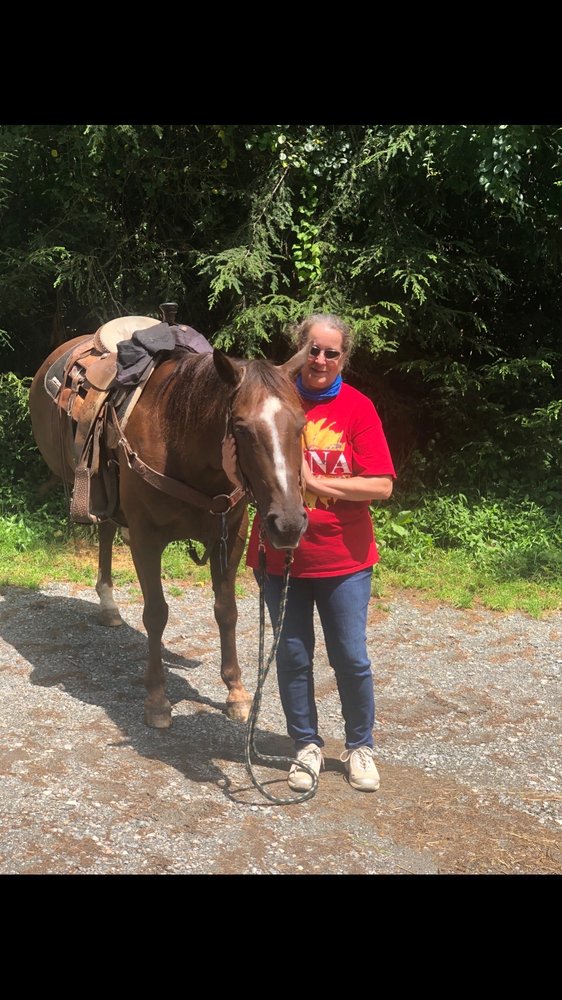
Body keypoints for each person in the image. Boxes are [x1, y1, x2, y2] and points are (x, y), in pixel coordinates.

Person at [222, 313, 396, 792]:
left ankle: (360, 746)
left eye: (331, 352)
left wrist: (317, 484)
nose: (320, 360)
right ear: (301, 350)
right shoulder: (270, 401)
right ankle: (306, 746)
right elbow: (250, 478)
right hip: (279, 558)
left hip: (344, 558)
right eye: (313, 350)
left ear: (344, 358)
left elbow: (381, 485)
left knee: (351, 657)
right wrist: (231, 474)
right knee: (293, 656)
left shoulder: (357, 409)